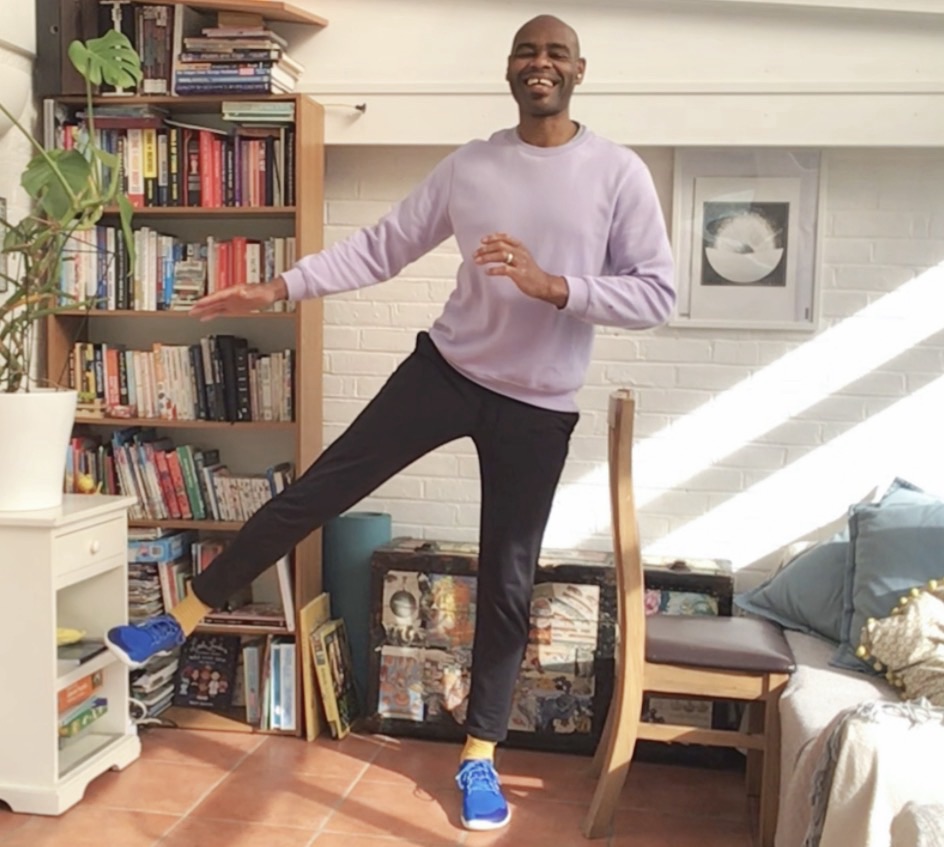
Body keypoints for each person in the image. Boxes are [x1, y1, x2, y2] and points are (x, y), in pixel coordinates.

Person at [105, 13, 674, 832]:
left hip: (538, 402)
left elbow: (656, 293)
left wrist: (555, 285)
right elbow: (381, 246)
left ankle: (479, 755)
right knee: (319, 490)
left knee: (508, 580)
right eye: (526, 50)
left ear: (579, 70)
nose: (539, 62)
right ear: (509, 68)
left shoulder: (618, 173)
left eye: (555, 53)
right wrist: (277, 287)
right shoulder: (471, 166)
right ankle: (180, 617)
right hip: (446, 371)